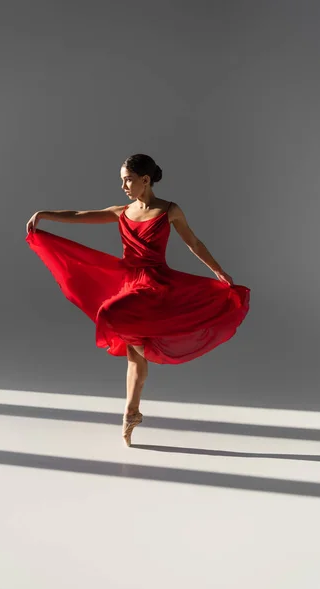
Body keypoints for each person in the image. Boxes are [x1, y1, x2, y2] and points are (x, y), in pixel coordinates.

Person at [25, 154, 250, 446]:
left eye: (128, 179)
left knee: (110, 315)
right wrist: (45, 214)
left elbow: (193, 242)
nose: (123, 185)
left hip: (154, 285)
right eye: (121, 180)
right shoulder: (122, 211)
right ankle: (132, 411)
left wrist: (218, 271)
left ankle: (149, 355)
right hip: (129, 282)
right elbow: (81, 215)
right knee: (133, 352)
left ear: (145, 180)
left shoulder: (169, 210)